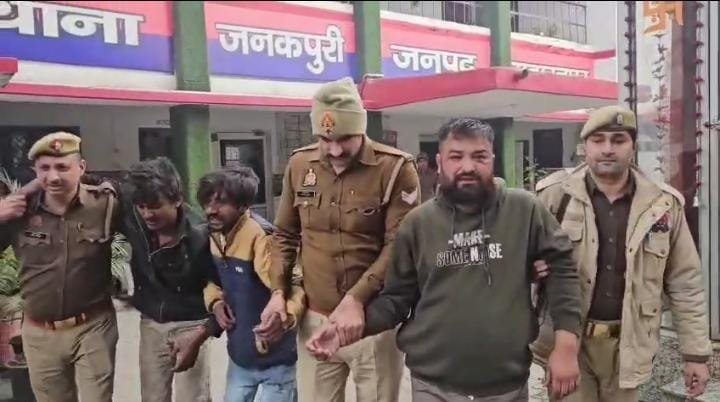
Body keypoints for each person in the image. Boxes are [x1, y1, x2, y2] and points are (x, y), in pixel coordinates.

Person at [307, 118, 583, 402]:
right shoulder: (417, 223)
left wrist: (566, 345)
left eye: (479, 156)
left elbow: (562, 269)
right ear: (440, 162)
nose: (468, 166)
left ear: (492, 159)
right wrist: (346, 331)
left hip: (506, 385)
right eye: (456, 156)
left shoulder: (524, 210)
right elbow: (396, 300)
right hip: (432, 385)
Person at [531, 105, 712, 401]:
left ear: (633, 147)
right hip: (569, 344)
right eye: (598, 140)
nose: (607, 149)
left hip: (629, 346)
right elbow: (522, 268)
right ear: (584, 147)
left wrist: (695, 355)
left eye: (618, 140)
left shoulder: (663, 204)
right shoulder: (554, 196)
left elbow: (685, 282)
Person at [261, 77, 421, 402]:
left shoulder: (395, 169)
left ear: (361, 128)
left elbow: (400, 245)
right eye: (325, 139)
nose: (335, 150)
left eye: (345, 138)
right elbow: (285, 234)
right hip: (315, 319)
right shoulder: (299, 164)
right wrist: (278, 292)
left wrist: (356, 299)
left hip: (372, 323)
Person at [0, 132, 119, 402]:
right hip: (40, 333)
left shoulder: (105, 204)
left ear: (82, 167)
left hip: (93, 326)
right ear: (34, 171)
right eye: (44, 168)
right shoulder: (18, 210)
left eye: (62, 167)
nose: (53, 177)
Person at [117, 157, 220, 402]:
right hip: (151, 324)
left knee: (192, 398)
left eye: (155, 206)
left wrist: (203, 332)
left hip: (192, 323)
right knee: (152, 397)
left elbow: (223, 290)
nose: (147, 214)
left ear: (177, 199)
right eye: (141, 206)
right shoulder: (134, 219)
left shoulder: (201, 235)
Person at [198, 167, 305, 402]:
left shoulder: (261, 237)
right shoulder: (215, 233)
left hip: (276, 362)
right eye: (207, 202)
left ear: (243, 205)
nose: (210, 210)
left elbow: (295, 287)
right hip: (240, 358)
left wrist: (286, 317)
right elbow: (213, 279)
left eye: (221, 203)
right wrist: (215, 303)